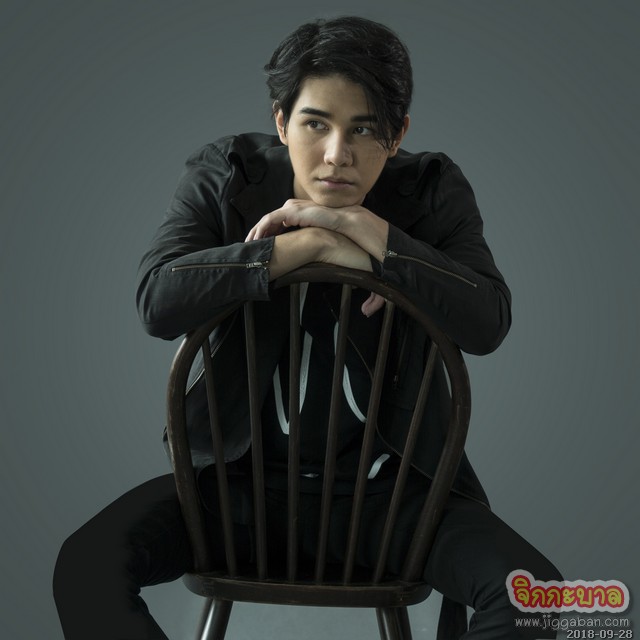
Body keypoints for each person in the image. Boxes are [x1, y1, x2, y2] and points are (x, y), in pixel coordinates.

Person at [54, 16, 561, 639]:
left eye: (364, 129)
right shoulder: (228, 175)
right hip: (234, 497)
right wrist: (304, 246)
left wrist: (377, 241)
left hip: (390, 500)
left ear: (398, 135)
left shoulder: (430, 191)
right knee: (84, 567)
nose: (336, 155)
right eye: (316, 124)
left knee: (538, 601)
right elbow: (158, 300)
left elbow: (488, 321)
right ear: (281, 121)